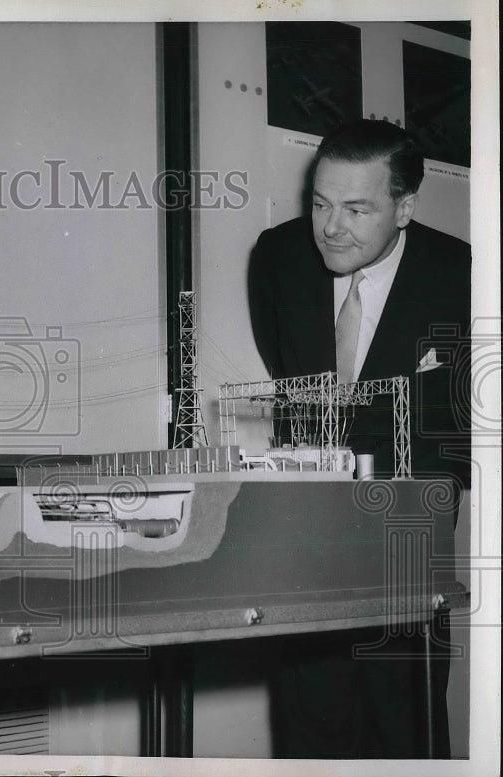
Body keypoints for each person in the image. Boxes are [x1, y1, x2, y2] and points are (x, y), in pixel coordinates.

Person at [247, 119, 470, 758]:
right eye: (320, 203)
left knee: (404, 715)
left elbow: (471, 416)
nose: (330, 227)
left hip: (410, 523)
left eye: (356, 208)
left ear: (405, 207)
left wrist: (434, 487)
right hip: (306, 519)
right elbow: (287, 364)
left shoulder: (465, 273)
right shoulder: (278, 257)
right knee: (308, 709)